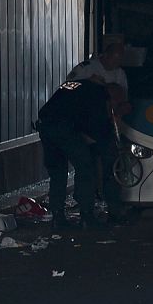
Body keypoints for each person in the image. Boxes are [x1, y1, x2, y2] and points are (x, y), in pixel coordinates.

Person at [36, 80, 128, 230]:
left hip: (45, 125)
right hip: (64, 128)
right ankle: (86, 216)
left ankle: (58, 217)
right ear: (113, 97)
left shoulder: (82, 85)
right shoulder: (98, 97)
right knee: (86, 168)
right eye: (116, 104)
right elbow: (99, 133)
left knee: (57, 172)